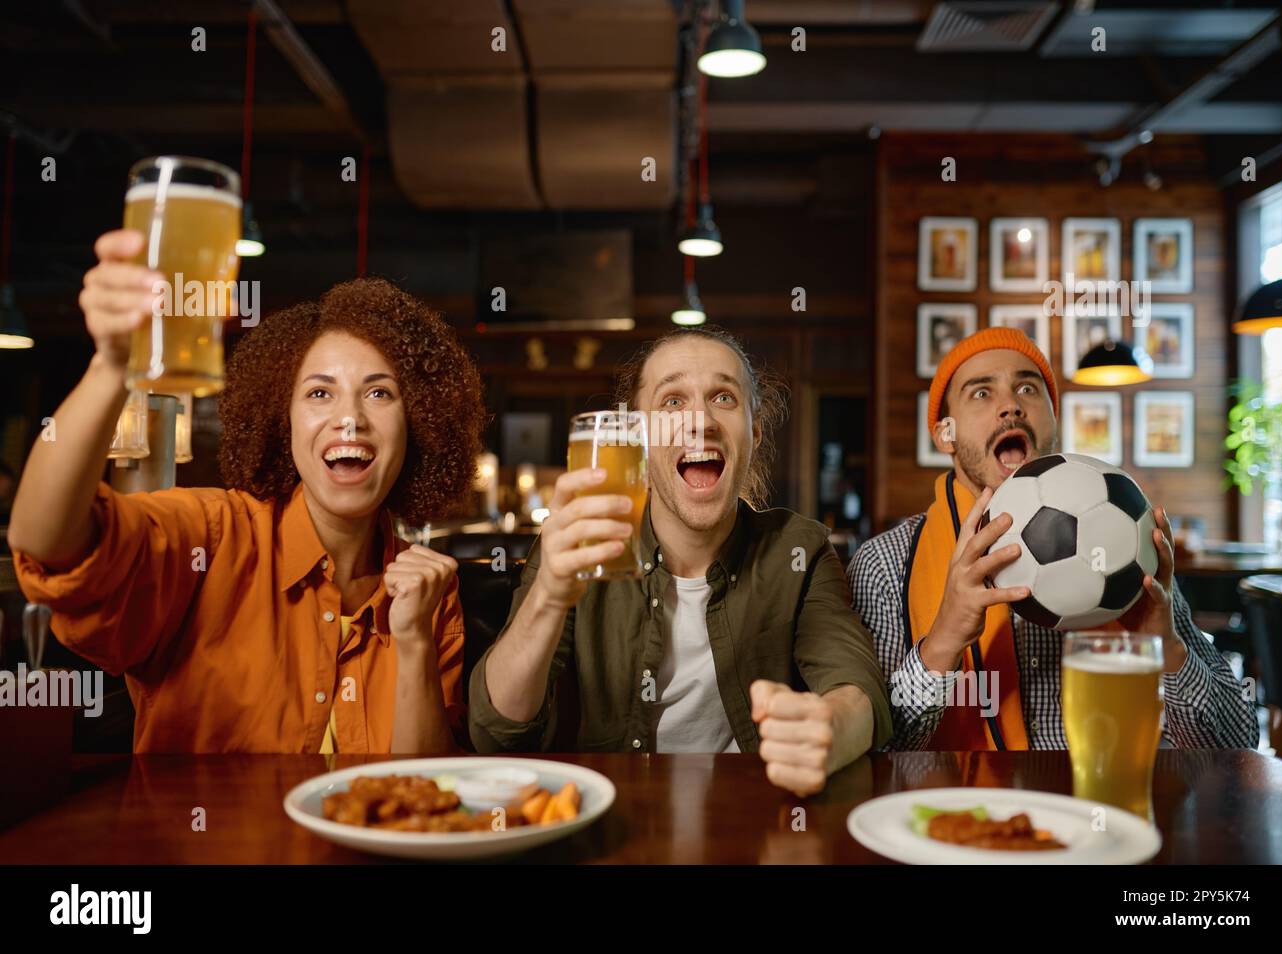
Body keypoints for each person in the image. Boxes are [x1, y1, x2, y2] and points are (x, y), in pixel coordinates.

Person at [7, 229, 485, 753]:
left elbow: (422, 798)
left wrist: (414, 640)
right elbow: (46, 542)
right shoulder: (210, 539)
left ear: (418, 422)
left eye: (379, 392)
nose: (350, 419)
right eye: (320, 393)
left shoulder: (430, 590)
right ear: (283, 421)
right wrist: (113, 363)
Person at [470, 327, 892, 796]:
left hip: (749, 821)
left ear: (753, 431)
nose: (701, 422)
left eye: (724, 398)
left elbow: (859, 691)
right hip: (612, 821)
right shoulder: (577, 548)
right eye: (672, 401)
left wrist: (828, 731)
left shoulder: (799, 549)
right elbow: (495, 731)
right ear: (640, 434)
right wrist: (548, 594)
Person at [846, 327, 1258, 750]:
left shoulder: (1130, 540)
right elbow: (875, 750)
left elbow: (1237, 745)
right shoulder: (886, 563)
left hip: (1115, 805)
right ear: (944, 434)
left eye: (1027, 387)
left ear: (1053, 418)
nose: (1011, 407)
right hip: (972, 812)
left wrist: (1166, 647)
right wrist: (942, 644)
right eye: (981, 394)